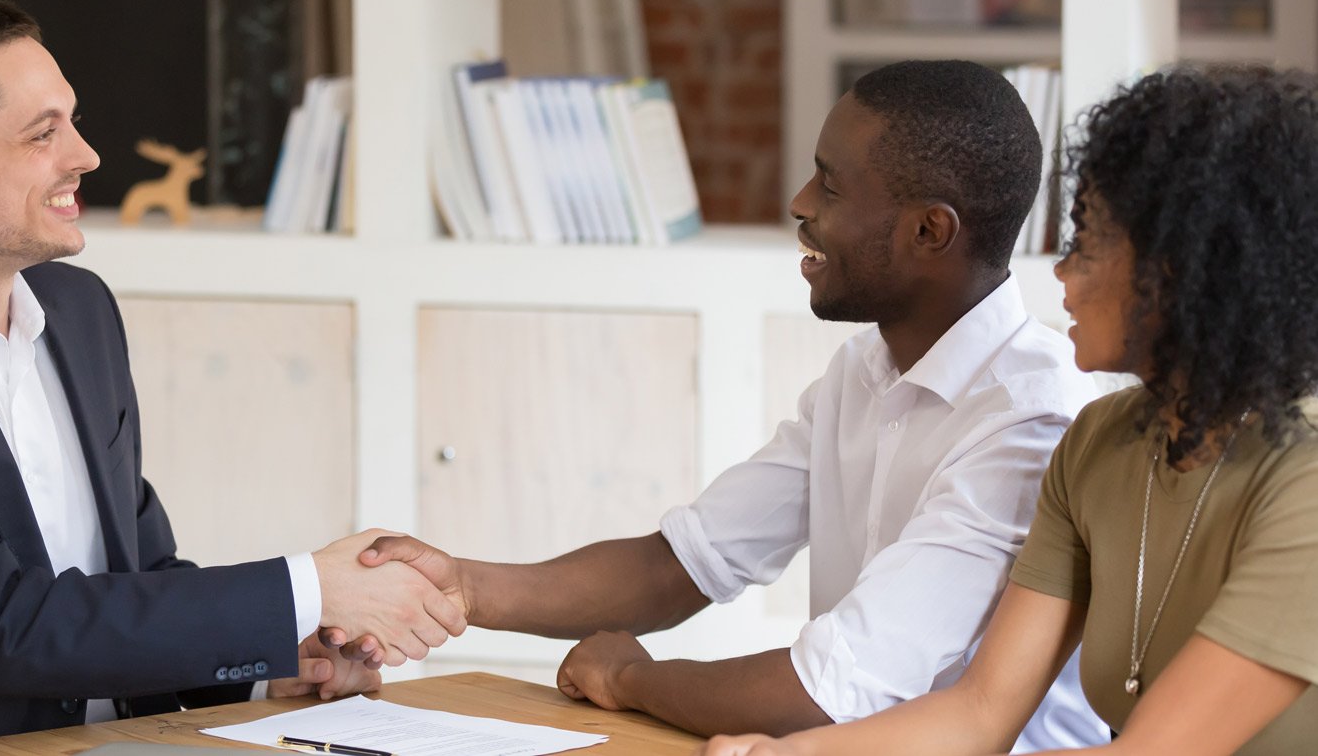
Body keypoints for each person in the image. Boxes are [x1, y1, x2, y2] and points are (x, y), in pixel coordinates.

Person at [329, 60, 1107, 749]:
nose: (801, 203)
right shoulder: (866, 367)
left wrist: (632, 677)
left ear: (929, 231)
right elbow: (683, 563)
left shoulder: (1030, 423)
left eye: (830, 185)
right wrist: (463, 586)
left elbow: (827, 693)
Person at [0, 0, 461, 755]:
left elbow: (139, 571)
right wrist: (310, 588)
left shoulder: (78, 307)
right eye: (43, 133)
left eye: (74, 120)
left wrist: (269, 668)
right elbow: (4, 628)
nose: (85, 155)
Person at [695, 65, 1318, 756]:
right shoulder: (1097, 445)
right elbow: (977, 715)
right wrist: (783, 753)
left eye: (1087, 241)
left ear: (1185, 269)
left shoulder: (1305, 487)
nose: (1060, 272)